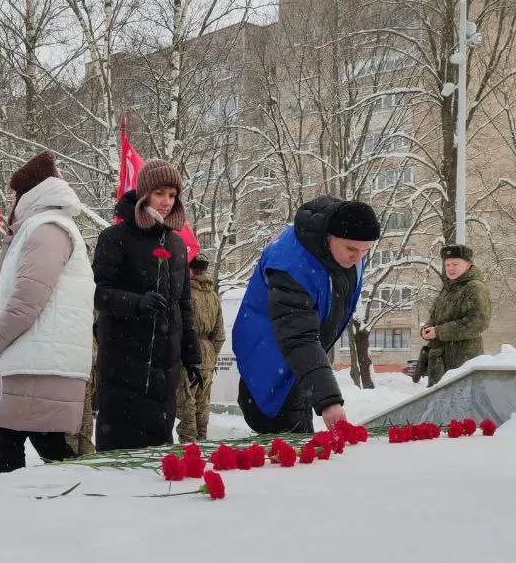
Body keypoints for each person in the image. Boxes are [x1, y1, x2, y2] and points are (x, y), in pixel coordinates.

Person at [0, 152, 95, 473]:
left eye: (14, 195)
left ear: (28, 194)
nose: (11, 203)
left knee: (24, 443)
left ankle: (16, 503)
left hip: (38, 363)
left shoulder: (46, 229)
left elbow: (26, 303)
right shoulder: (45, 227)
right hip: (38, 359)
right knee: (41, 445)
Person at [233, 196, 379, 435]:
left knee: (300, 439)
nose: (358, 258)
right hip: (271, 364)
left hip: (302, 364)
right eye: (351, 249)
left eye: (366, 250)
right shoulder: (290, 265)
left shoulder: (345, 251)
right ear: (329, 236)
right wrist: (328, 400)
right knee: (287, 443)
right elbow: (298, 336)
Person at [92, 160, 202, 451]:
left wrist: (192, 356)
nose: (167, 202)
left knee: (158, 453)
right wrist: (136, 303)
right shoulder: (115, 238)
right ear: (144, 194)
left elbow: (183, 304)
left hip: (165, 366)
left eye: (172, 195)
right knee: (122, 455)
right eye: (160, 193)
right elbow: (100, 293)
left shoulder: (176, 245)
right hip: (123, 364)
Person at [419, 244, 493, 386]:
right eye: (447, 265)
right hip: (440, 363)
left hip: (462, 363)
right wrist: (427, 328)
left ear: (468, 264)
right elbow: (435, 318)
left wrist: (438, 332)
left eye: (455, 264)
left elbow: (478, 322)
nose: (450, 268)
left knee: (461, 399)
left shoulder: (474, 287)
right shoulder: (447, 289)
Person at [175, 255, 225, 443]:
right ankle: (201, 444)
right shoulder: (213, 296)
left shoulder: (186, 293)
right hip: (208, 355)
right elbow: (219, 334)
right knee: (202, 405)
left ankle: (188, 446)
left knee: (187, 404)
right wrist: (211, 355)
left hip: (188, 352)